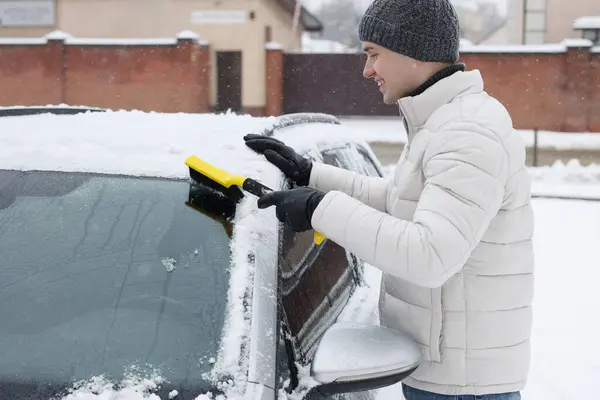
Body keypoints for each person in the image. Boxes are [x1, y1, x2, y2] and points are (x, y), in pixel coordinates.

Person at [243, 0, 534, 399]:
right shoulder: (444, 121)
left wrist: (318, 209)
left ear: (412, 52)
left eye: (373, 54)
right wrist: (312, 175)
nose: (367, 70)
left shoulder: (467, 133)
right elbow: (396, 199)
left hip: (463, 386)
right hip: (448, 371)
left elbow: (430, 255)